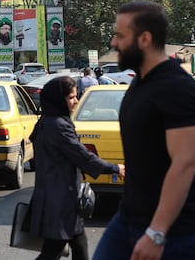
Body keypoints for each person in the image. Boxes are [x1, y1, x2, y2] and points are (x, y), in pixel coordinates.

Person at [93, 1, 195, 260]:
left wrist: (157, 232)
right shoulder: (141, 82)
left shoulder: (176, 88)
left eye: (120, 35)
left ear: (144, 38)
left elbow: (185, 164)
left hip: (172, 233)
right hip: (128, 219)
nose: (114, 42)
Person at [28, 76, 125, 260]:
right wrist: (114, 168)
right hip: (60, 199)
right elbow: (82, 156)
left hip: (60, 196)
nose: (76, 101)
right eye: (71, 97)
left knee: (79, 245)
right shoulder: (58, 126)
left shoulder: (48, 121)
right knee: (54, 250)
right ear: (59, 99)